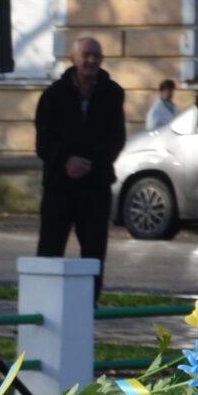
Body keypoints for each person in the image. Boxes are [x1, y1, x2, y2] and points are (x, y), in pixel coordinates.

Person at [34, 35, 127, 290]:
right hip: (59, 186)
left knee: (94, 251)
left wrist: (90, 163)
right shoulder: (53, 95)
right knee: (50, 248)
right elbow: (44, 142)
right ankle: (43, 301)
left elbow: (116, 139)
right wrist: (66, 161)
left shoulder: (113, 94)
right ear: (72, 59)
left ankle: (90, 303)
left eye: (96, 55)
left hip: (95, 186)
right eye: (86, 55)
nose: (91, 60)